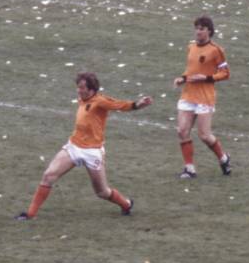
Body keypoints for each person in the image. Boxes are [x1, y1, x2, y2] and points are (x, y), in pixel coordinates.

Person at [16, 72, 153, 220]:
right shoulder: (82, 99)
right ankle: (30, 214)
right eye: (78, 87)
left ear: (91, 89)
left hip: (92, 152)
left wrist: (137, 104)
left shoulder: (100, 101)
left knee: (101, 192)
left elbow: (119, 104)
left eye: (81, 87)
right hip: (74, 146)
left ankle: (126, 204)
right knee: (48, 176)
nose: (78, 90)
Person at [173, 16, 231, 179]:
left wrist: (207, 78)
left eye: (202, 29)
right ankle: (189, 169)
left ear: (209, 31)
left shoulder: (216, 50)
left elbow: (225, 73)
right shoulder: (191, 47)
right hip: (188, 94)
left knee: (204, 135)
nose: (198, 31)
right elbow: (191, 69)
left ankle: (223, 158)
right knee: (182, 131)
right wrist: (182, 78)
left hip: (205, 96)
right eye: (196, 28)